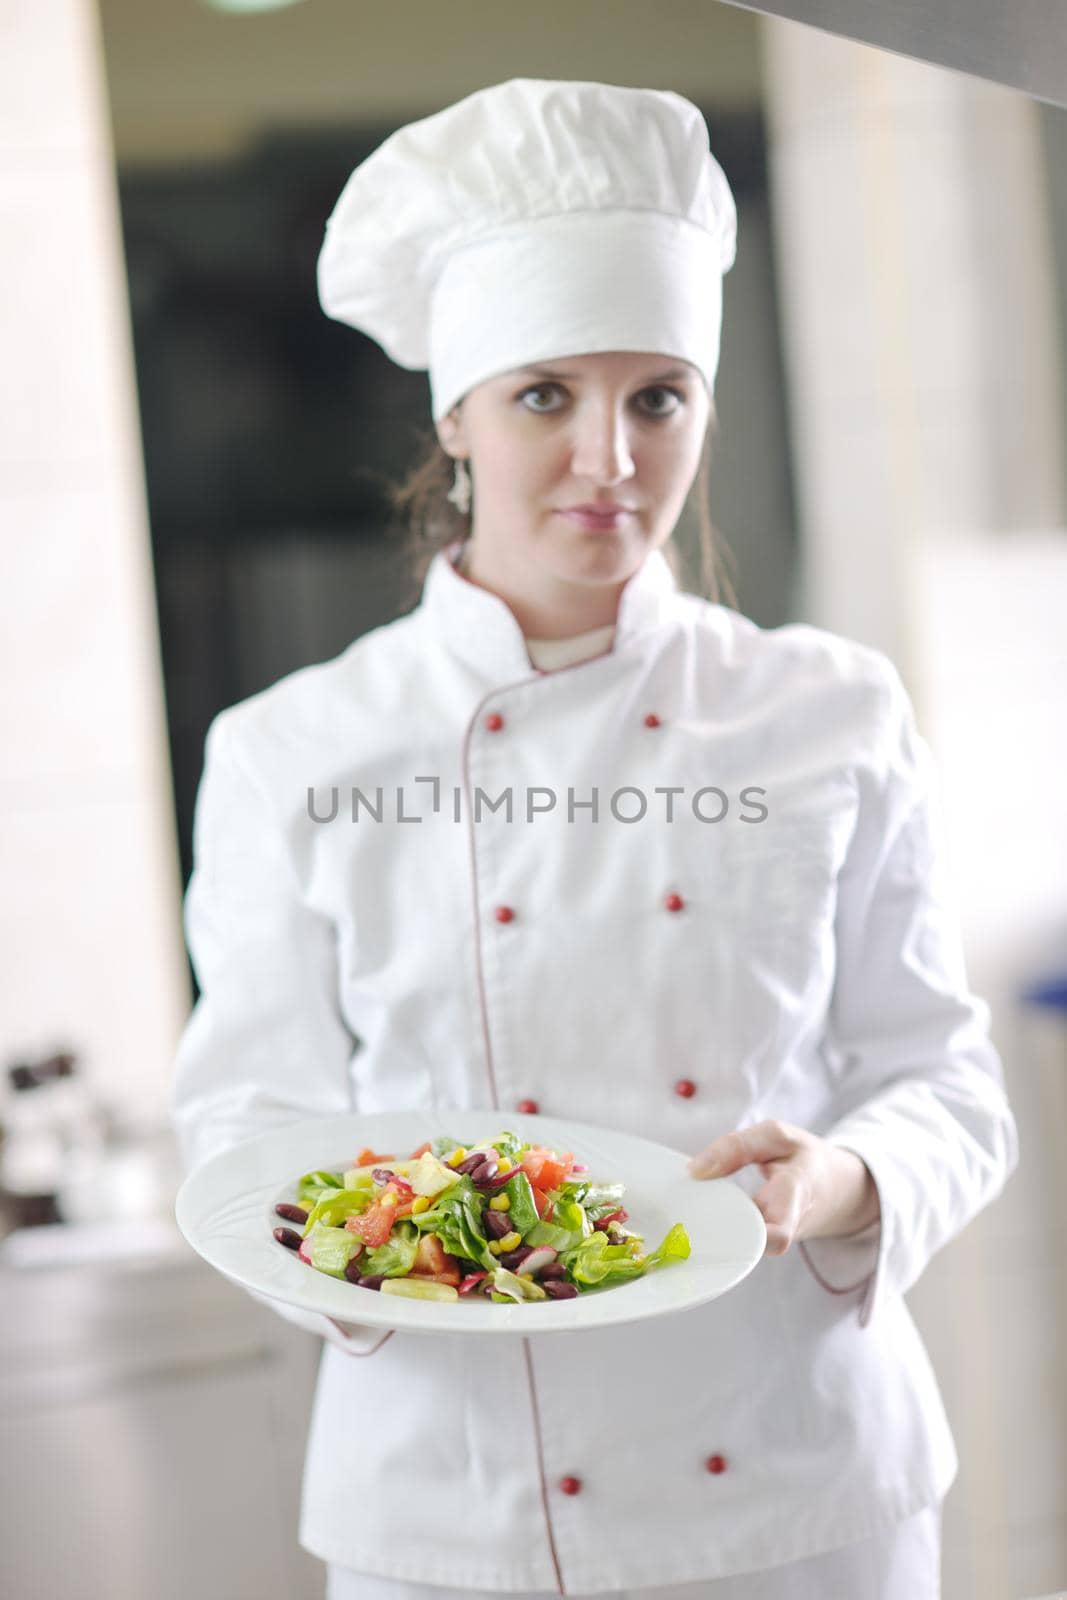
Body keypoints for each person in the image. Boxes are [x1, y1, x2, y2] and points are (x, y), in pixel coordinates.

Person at [171, 78, 1019, 1600]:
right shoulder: (295, 751)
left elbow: (944, 1078)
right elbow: (244, 1126)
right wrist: (380, 1255)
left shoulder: (828, 709)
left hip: (798, 1489)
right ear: (455, 415)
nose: (610, 461)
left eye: (659, 397)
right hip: (458, 1509)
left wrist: (841, 1183)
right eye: (546, 394)